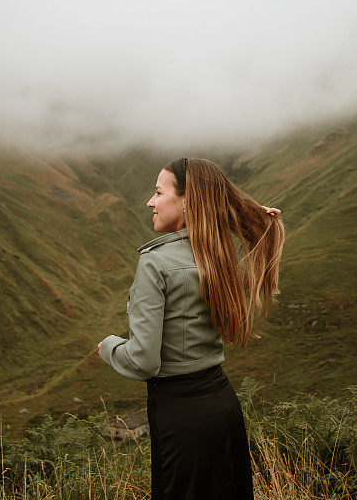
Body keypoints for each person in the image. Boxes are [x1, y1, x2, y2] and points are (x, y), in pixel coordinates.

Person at [97, 157, 284, 500]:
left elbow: (143, 361)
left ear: (186, 200)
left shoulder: (155, 262)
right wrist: (255, 215)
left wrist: (108, 346)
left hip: (181, 416)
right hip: (222, 405)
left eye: (157, 192)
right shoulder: (214, 252)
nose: (150, 202)